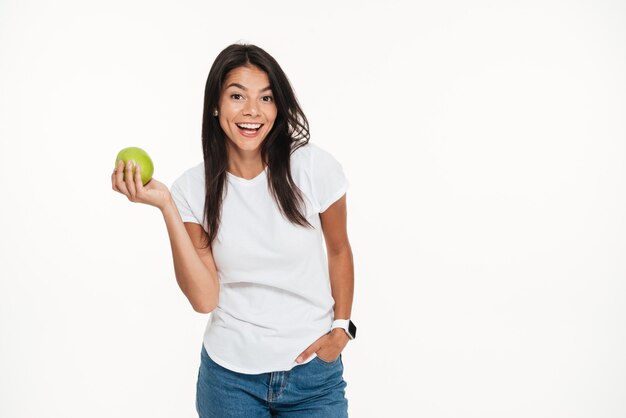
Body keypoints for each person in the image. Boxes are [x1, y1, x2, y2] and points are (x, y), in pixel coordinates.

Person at [111, 43, 356, 417]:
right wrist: (166, 206)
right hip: (230, 382)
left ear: (278, 106)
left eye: (266, 97)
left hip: (313, 379)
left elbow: (339, 249)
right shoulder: (192, 189)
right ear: (215, 105)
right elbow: (204, 299)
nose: (252, 111)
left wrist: (342, 329)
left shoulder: (312, 168)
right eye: (237, 96)